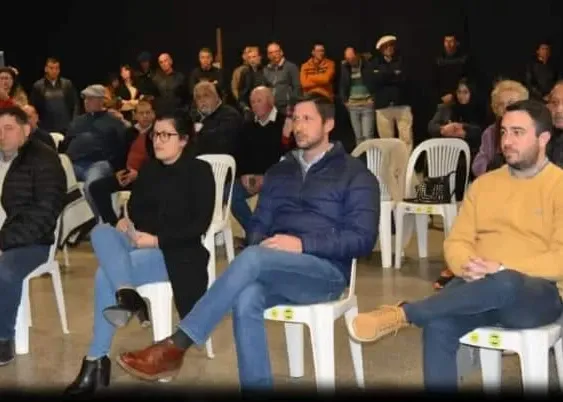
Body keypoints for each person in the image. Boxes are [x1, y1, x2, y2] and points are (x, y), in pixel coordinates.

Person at [113, 93, 380, 390]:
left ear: (328, 124)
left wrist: (302, 244)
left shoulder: (354, 173)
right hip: (278, 267)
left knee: (252, 257)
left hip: (326, 273)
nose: (298, 126)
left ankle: (178, 343)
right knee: (246, 296)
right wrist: (261, 242)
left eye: (307, 119)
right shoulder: (280, 171)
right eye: (295, 119)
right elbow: (258, 224)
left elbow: (363, 239)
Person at [348, 99, 563, 392]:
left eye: (518, 132)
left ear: (543, 138)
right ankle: (419, 313)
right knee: (439, 325)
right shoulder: (484, 185)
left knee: (506, 281)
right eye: (503, 132)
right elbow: (458, 240)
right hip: (479, 288)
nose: (507, 141)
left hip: (536, 294)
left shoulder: (558, 185)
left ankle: (407, 313)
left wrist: (501, 267)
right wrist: (467, 266)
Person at [64, 110, 216, 394]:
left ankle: (95, 359)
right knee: (102, 231)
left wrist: (157, 241)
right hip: (138, 241)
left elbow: (199, 225)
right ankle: (127, 293)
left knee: (103, 276)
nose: (158, 141)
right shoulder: (149, 169)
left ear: (184, 140)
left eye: (166, 135)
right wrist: (127, 223)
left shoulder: (199, 172)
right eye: (155, 134)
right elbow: (136, 209)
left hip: (175, 252)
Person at [0, 107, 66, 366]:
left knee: (5, 272)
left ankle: (3, 338)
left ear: (26, 130)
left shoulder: (44, 160)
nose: (1, 135)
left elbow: (45, 214)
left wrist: (3, 241)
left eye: (8, 128)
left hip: (31, 241)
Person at [88, 100, 155, 226]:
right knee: (96, 187)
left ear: (153, 114)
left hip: (147, 176)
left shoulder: (157, 133)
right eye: (141, 113)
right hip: (127, 173)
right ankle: (113, 223)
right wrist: (118, 171)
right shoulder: (129, 133)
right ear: (135, 115)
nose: (145, 116)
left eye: (148, 113)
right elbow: (120, 155)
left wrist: (139, 174)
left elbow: (156, 161)